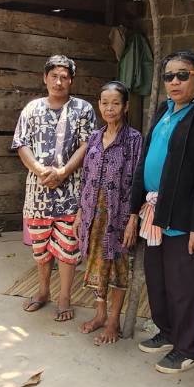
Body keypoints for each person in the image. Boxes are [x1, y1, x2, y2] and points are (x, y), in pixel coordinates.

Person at [127, 51, 194, 374]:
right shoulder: (165, 109)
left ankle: (188, 347)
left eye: (182, 75)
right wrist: (134, 208)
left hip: (185, 217)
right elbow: (146, 159)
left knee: (183, 283)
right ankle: (168, 330)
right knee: (158, 277)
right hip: (155, 211)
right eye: (168, 76)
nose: (174, 82)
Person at [13, 55, 96, 322]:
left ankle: (64, 298)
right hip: (37, 194)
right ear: (45, 78)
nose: (58, 82)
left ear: (71, 80)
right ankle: (43, 292)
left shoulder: (83, 109)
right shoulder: (32, 109)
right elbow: (21, 143)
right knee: (41, 248)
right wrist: (39, 170)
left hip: (70, 194)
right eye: (54, 76)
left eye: (64, 77)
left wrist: (63, 172)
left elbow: (86, 145)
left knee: (68, 248)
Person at [75, 82, 143, 346]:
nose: (110, 108)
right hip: (93, 213)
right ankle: (100, 314)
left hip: (119, 216)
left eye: (116, 103)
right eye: (105, 102)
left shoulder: (134, 140)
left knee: (117, 267)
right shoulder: (93, 137)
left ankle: (114, 319)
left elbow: (139, 180)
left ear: (125, 106)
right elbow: (85, 177)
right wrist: (81, 211)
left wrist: (133, 218)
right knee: (96, 264)